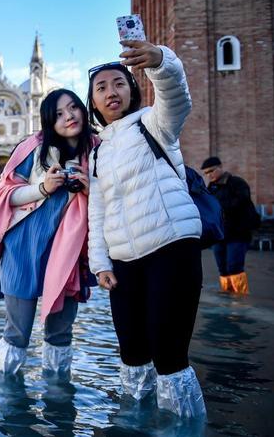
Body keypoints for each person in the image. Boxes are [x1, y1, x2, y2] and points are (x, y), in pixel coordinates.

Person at [86, 40, 205, 418]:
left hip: (171, 247)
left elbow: (177, 98)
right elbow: (98, 212)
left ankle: (183, 427)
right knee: (132, 353)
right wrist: (100, 263)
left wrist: (162, 63)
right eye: (101, 87)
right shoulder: (98, 152)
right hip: (124, 262)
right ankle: (135, 423)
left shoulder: (154, 122)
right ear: (93, 102)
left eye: (118, 83)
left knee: (170, 354)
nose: (111, 92)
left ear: (133, 89)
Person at [0, 88, 98, 380]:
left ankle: (58, 398)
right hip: (23, 247)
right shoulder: (34, 147)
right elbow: (6, 193)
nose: (68, 116)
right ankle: (7, 400)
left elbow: (116, 197)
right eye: (58, 114)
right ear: (48, 121)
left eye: (73, 108)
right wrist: (43, 187)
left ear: (83, 109)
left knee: (60, 331)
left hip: (69, 249)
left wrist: (89, 187)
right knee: (17, 330)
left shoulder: (98, 148)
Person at [201, 156, 259, 294]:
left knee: (235, 267)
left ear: (220, 167)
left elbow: (241, 202)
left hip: (238, 233)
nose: (209, 175)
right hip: (220, 235)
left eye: (211, 171)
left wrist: (218, 208)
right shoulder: (211, 188)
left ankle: (239, 300)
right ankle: (227, 297)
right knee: (223, 269)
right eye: (206, 173)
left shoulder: (237, 183)